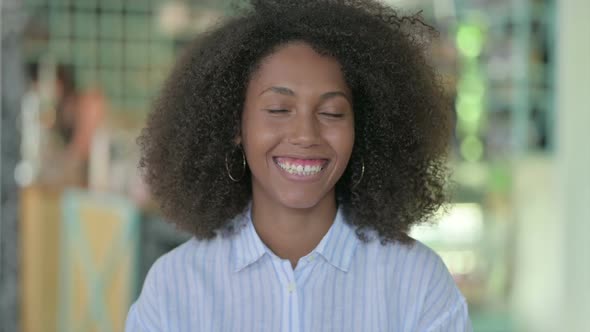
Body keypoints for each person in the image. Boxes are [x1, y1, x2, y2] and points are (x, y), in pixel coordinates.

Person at [126, 0, 471, 331]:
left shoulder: (417, 283)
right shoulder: (176, 285)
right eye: (278, 109)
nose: (305, 134)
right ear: (235, 125)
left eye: (332, 112)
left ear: (361, 129)